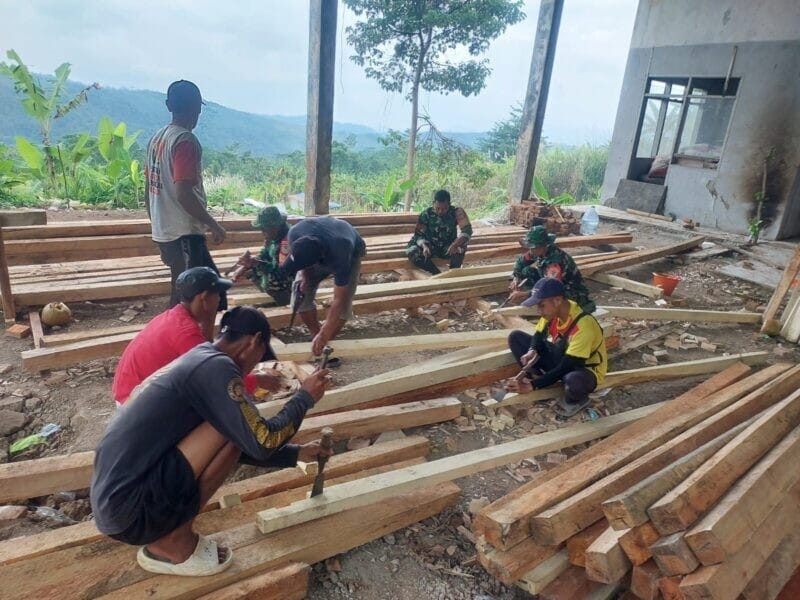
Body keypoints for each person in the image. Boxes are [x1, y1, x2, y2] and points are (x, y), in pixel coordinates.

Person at [91, 306, 331, 577]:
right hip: (133, 512)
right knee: (238, 426)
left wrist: (295, 454)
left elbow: (234, 443)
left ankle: (168, 534)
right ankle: (170, 542)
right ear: (253, 341)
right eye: (258, 357)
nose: (254, 366)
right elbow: (260, 441)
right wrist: (304, 398)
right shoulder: (219, 367)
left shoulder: (201, 358)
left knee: (234, 426)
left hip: (117, 506)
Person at [112, 267, 279, 406]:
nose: (220, 299)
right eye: (217, 295)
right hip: (133, 402)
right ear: (204, 298)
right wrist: (257, 380)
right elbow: (217, 382)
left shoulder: (177, 317)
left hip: (131, 391)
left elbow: (208, 351)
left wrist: (209, 316)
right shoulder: (186, 333)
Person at [145, 80, 228, 309]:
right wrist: (214, 224)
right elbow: (184, 193)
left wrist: (157, 228)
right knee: (188, 300)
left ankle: (201, 340)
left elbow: (148, 188)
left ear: (168, 105)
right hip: (185, 234)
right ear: (197, 108)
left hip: (168, 231)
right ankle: (177, 342)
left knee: (212, 290)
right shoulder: (185, 141)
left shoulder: (157, 139)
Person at [505, 278, 607, 418]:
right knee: (515, 337)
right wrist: (532, 349)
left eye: (541, 305)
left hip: (582, 368)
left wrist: (531, 386)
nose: (539, 311)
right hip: (562, 356)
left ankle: (575, 400)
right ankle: (541, 380)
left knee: (573, 381)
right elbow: (539, 335)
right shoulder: (554, 313)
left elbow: (565, 367)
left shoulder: (583, 327)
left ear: (557, 300)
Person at [283, 216, 366, 357]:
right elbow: (301, 260)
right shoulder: (294, 233)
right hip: (320, 247)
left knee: (344, 307)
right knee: (299, 296)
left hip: (351, 252)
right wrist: (305, 276)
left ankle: (325, 342)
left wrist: (325, 333)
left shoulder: (341, 251)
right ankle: (316, 336)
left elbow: (338, 300)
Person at [509, 225, 596, 313]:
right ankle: (535, 295)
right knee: (526, 271)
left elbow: (551, 289)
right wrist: (516, 277)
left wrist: (524, 294)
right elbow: (521, 262)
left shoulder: (555, 262)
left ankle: (537, 299)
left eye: (534, 248)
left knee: (552, 299)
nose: (531, 251)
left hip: (570, 290)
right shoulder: (538, 251)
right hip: (550, 280)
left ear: (544, 245)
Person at [231, 206, 292, 306]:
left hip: (290, 276)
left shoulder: (287, 241)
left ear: (275, 227)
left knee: (273, 279)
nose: (262, 232)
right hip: (279, 269)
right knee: (252, 271)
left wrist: (256, 263)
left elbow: (281, 272)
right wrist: (245, 266)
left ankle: (285, 298)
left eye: (264, 229)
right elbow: (265, 254)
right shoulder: (274, 236)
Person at [406, 189, 473, 275]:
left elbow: (467, 230)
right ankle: (436, 273)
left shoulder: (456, 212)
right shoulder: (426, 214)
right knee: (412, 251)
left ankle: (453, 273)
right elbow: (418, 235)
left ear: (449, 204)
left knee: (461, 247)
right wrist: (424, 246)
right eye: (437, 208)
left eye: (444, 209)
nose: (440, 211)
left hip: (448, 247)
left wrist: (455, 244)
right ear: (433, 203)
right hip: (431, 247)